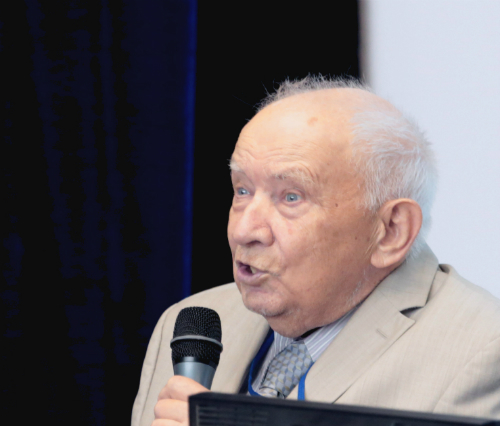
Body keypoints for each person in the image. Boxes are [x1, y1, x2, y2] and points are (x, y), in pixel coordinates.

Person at [132, 77, 500, 426]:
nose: (243, 231)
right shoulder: (187, 326)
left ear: (391, 231)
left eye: (291, 197)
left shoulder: (483, 351)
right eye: (242, 191)